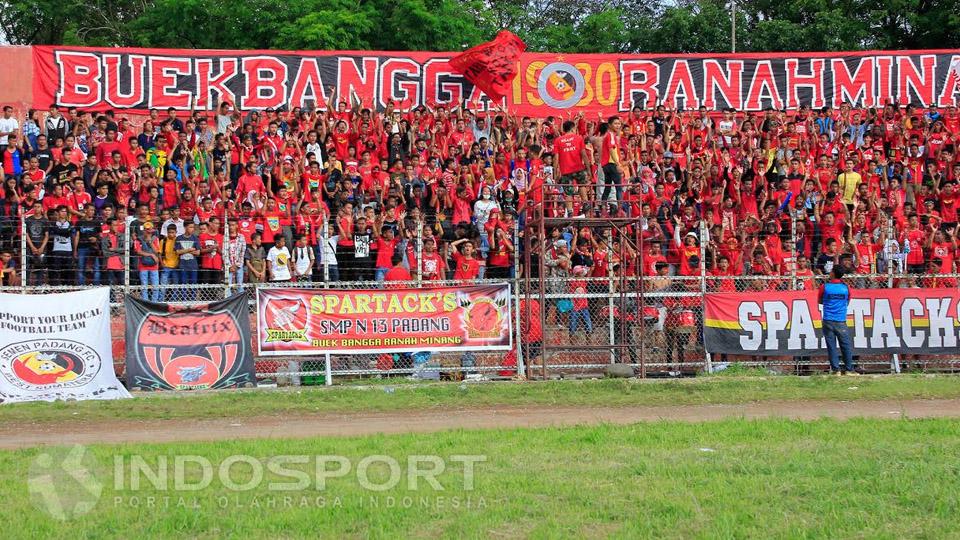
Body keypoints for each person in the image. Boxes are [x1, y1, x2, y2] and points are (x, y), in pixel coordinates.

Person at [818, 266, 857, 375]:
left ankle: (836, 370)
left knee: (831, 346)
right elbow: (847, 301)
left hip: (828, 319)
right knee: (845, 345)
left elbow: (820, 300)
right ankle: (849, 369)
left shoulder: (824, 287)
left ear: (833, 274)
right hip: (840, 320)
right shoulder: (846, 288)